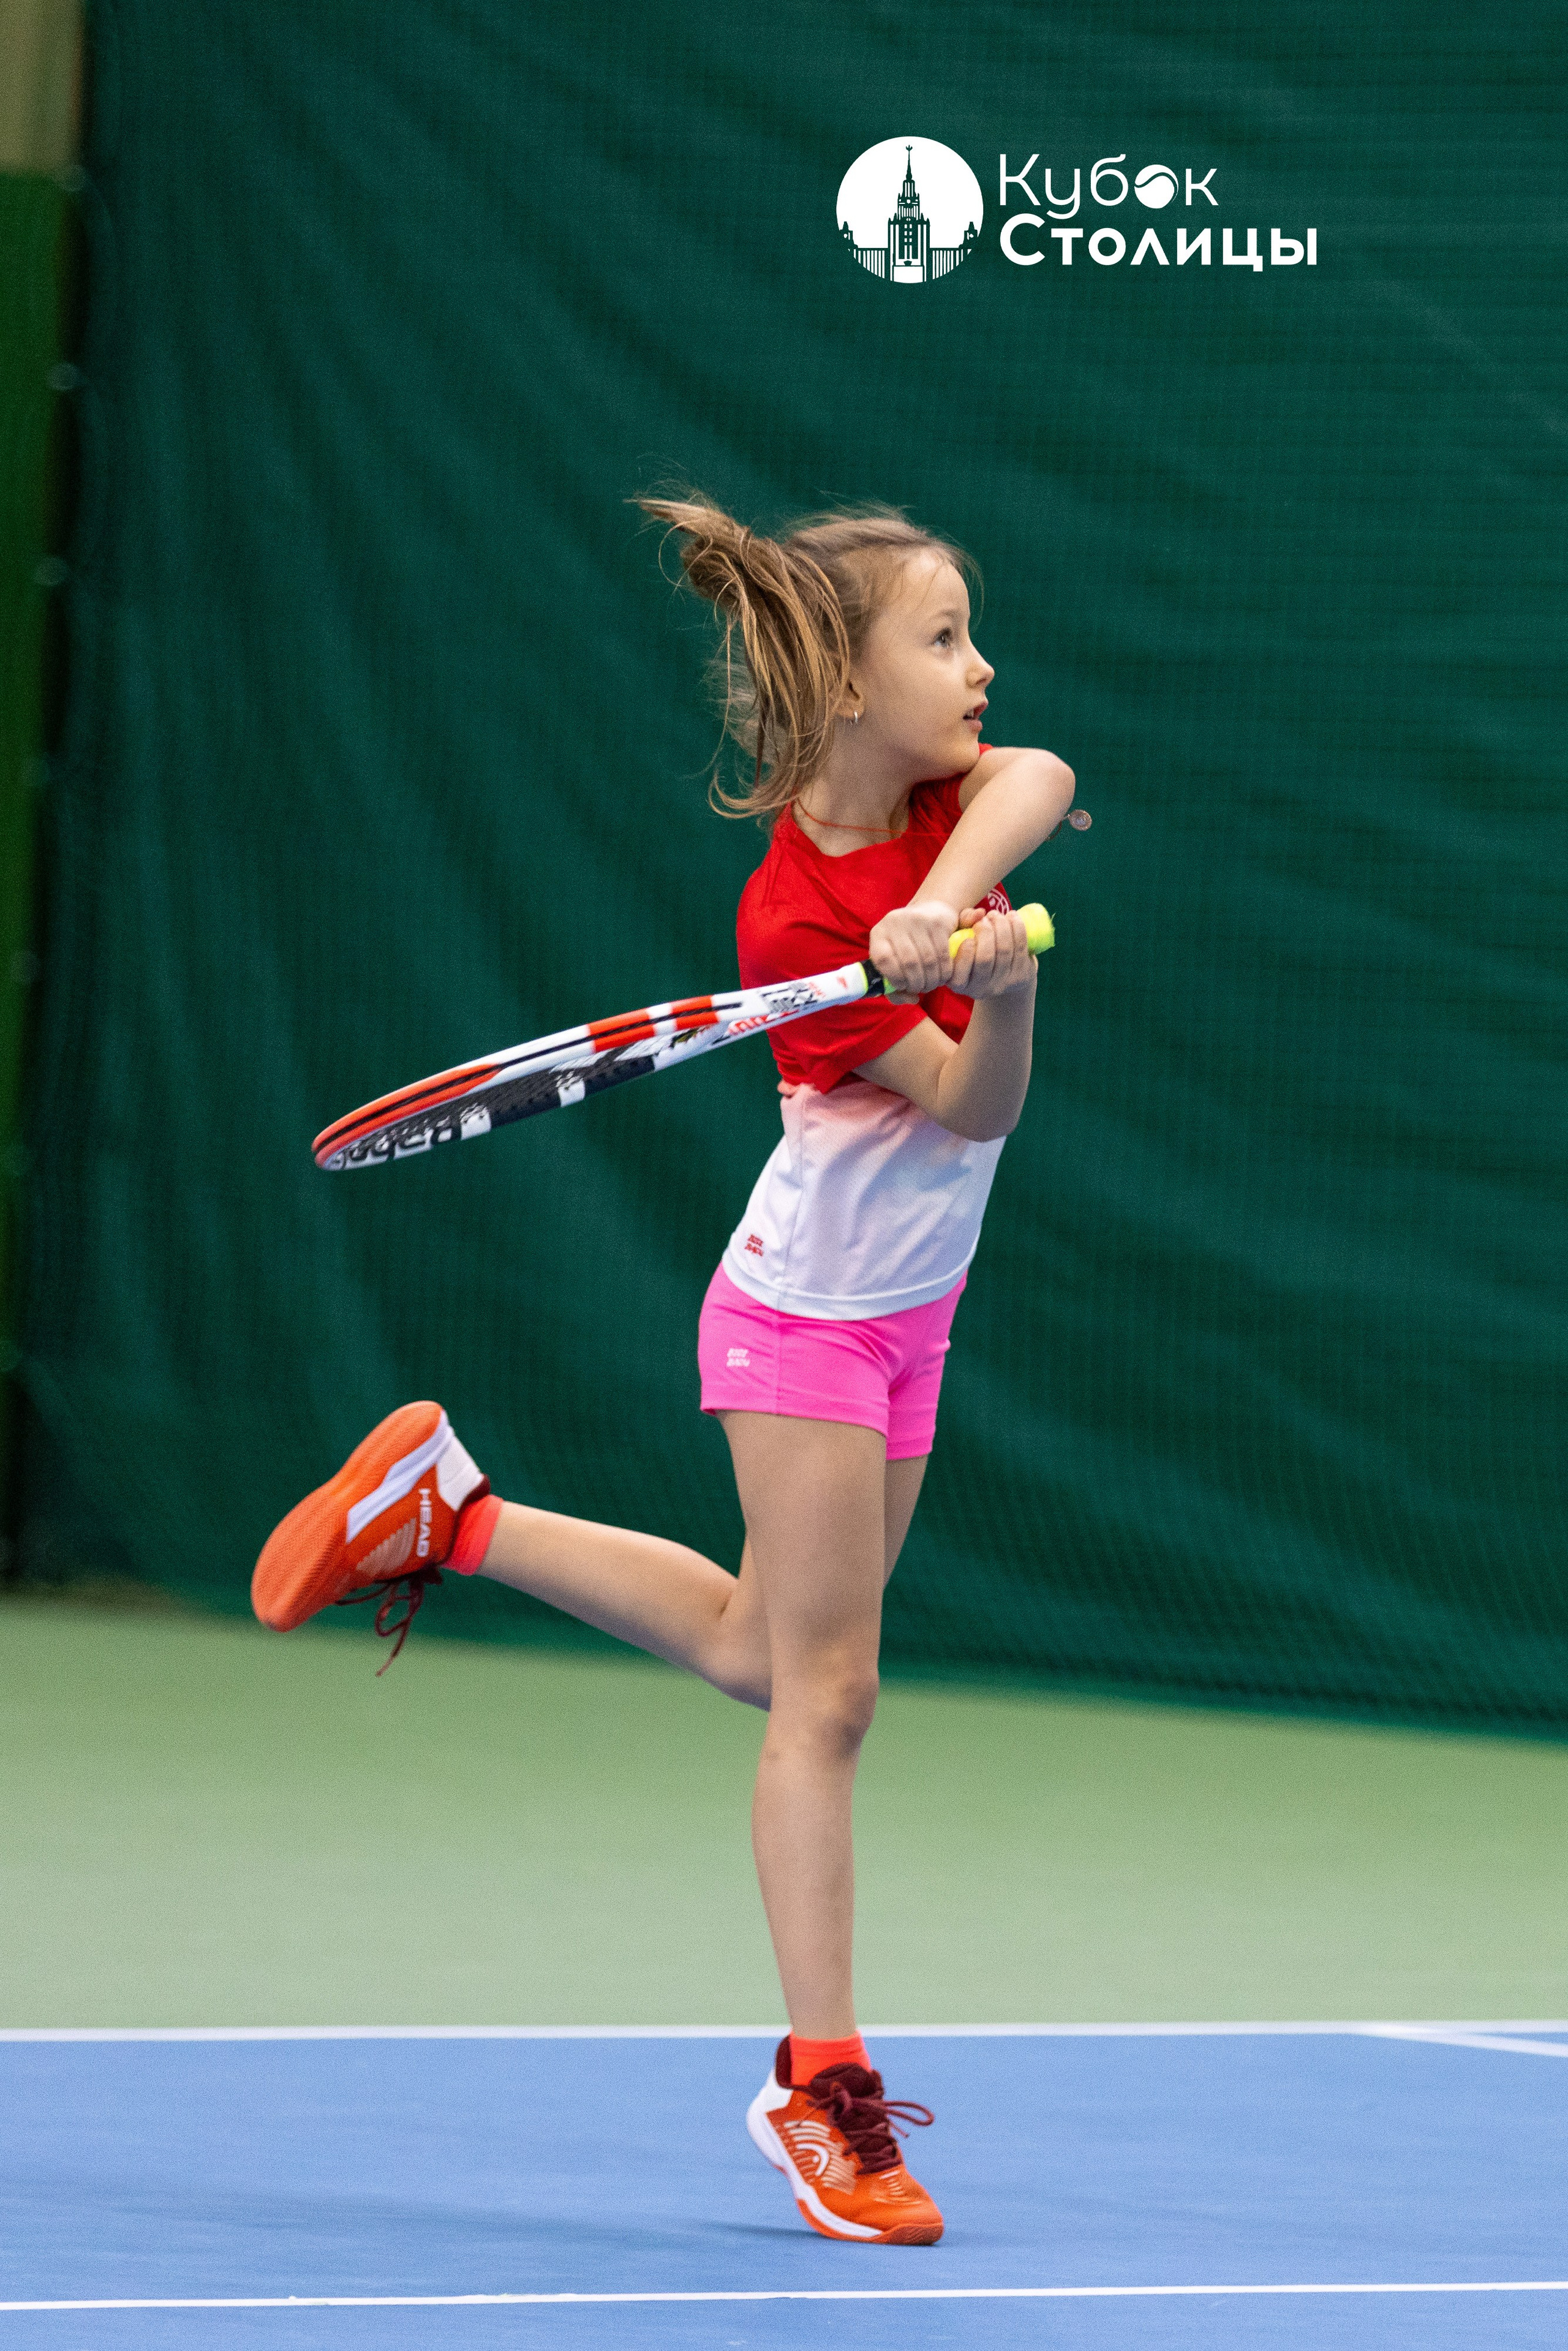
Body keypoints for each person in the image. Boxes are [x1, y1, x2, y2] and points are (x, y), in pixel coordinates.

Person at [252, 498, 1077, 2245]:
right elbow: (970, 1103)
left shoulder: (947, 804)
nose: (980, 668)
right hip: (808, 1320)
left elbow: (1045, 780)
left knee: (750, 1652)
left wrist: (948, 927)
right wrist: (988, 1007)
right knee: (826, 1696)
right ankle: (821, 2088)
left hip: (916, 1314)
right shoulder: (788, 923)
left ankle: (449, 1517)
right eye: (942, 641)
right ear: (847, 689)